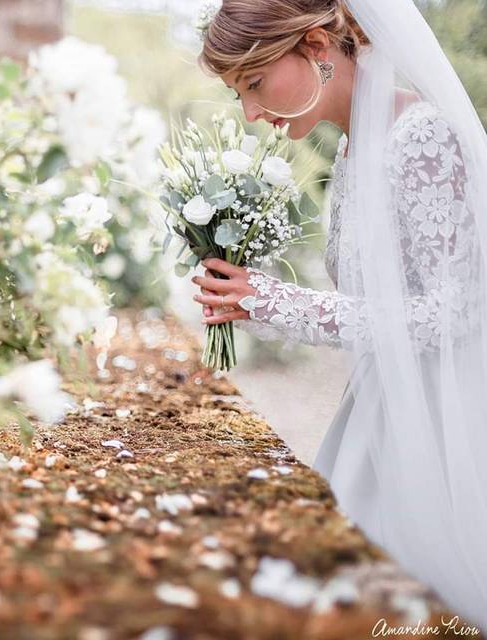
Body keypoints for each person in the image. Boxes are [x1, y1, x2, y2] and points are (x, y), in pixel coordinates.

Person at [190, 0, 487, 627]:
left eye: (254, 82)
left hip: (443, 425)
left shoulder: (423, 137)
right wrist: (256, 303)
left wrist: (280, 302)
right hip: (379, 413)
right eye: (237, 93)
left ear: (319, 45)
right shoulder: (354, 151)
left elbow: (454, 313)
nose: (250, 113)